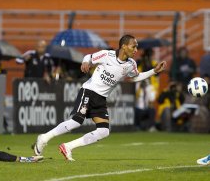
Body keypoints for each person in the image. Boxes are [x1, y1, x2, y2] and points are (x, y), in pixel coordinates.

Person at [33, 34, 166, 161]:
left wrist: (154, 71)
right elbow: (88, 57)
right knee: (76, 121)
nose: (136, 50)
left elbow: (136, 77)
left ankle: (68, 147)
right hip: (89, 91)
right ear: (124, 46)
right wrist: (85, 62)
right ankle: (44, 138)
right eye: (133, 46)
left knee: (103, 131)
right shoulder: (107, 55)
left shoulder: (131, 64)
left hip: (101, 99)